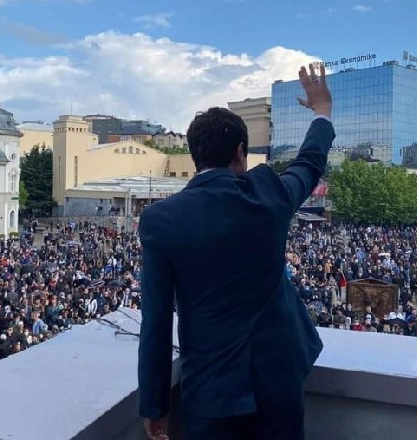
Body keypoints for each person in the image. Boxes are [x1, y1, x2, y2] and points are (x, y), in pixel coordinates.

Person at [138, 64, 333, 440]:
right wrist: (322, 111)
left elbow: (157, 322)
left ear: (195, 155)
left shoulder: (161, 220)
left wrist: (154, 404)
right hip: (280, 381)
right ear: (241, 153)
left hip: (211, 391)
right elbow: (309, 163)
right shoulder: (267, 194)